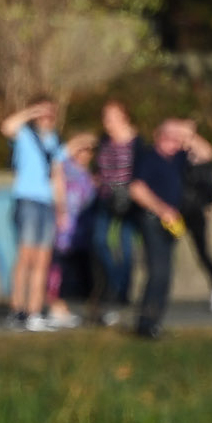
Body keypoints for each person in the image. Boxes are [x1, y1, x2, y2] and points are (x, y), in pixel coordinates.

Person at [1, 99, 65, 332]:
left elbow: (57, 175)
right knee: (26, 257)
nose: (47, 117)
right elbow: (7, 126)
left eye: (51, 113)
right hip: (27, 200)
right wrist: (30, 112)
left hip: (46, 204)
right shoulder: (24, 135)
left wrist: (61, 208)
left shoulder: (55, 140)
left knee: (42, 260)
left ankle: (34, 312)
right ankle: (17, 310)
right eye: (43, 113)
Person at [129, 119, 194, 340]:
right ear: (160, 137)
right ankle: (145, 323)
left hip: (171, 223)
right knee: (157, 272)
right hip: (153, 220)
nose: (176, 144)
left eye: (178, 140)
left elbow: (206, 153)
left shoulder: (177, 159)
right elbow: (136, 189)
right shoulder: (149, 158)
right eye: (171, 138)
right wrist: (161, 208)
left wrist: (187, 132)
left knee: (166, 273)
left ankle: (156, 322)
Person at [89, 104, 144, 327]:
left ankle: (123, 292)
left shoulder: (138, 143)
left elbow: (142, 170)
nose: (107, 122)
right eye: (105, 117)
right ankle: (115, 284)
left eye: (112, 117)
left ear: (125, 117)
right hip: (105, 199)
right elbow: (97, 167)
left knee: (126, 246)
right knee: (100, 241)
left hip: (129, 201)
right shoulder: (104, 141)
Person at [168, 118, 212, 315]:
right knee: (163, 252)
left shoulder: (200, 153)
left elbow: (208, 158)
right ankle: (159, 294)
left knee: (203, 252)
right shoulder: (171, 152)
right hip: (174, 212)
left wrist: (189, 136)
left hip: (194, 211)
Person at [48, 132, 96, 329]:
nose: (84, 154)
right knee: (56, 270)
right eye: (81, 150)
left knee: (74, 274)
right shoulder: (63, 168)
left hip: (81, 233)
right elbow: (55, 163)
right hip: (63, 230)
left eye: (88, 151)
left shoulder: (88, 174)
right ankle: (55, 307)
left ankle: (66, 308)